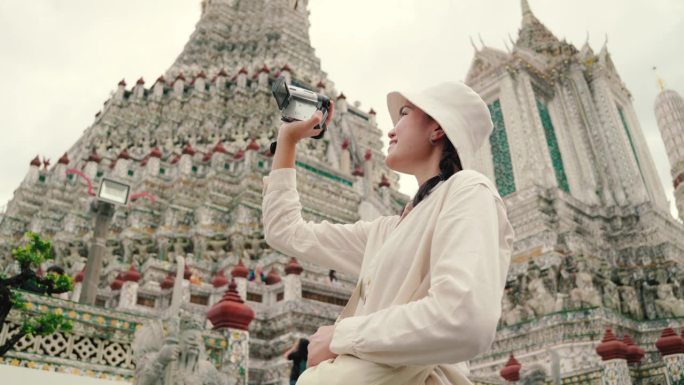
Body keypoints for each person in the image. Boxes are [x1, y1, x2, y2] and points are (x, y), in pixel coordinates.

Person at [262, 82, 515, 385]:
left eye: (404, 114)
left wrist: (339, 337)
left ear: (437, 130)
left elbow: (463, 318)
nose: (391, 131)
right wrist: (287, 140)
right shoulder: (387, 231)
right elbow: (285, 231)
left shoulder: (469, 190)